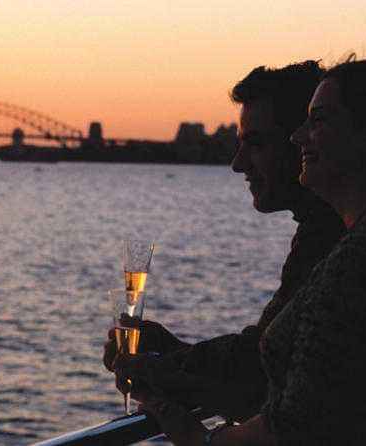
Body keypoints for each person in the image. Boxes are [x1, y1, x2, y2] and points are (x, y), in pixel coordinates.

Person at [145, 58, 366, 445]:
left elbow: (296, 418)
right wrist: (174, 358)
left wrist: (199, 437)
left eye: (317, 120)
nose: (299, 137)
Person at [104, 61, 346, 422]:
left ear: (304, 140)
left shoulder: (343, 240)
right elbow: (263, 357)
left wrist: (166, 374)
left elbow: (273, 385)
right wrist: (175, 354)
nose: (237, 164)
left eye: (256, 143)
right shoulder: (321, 228)